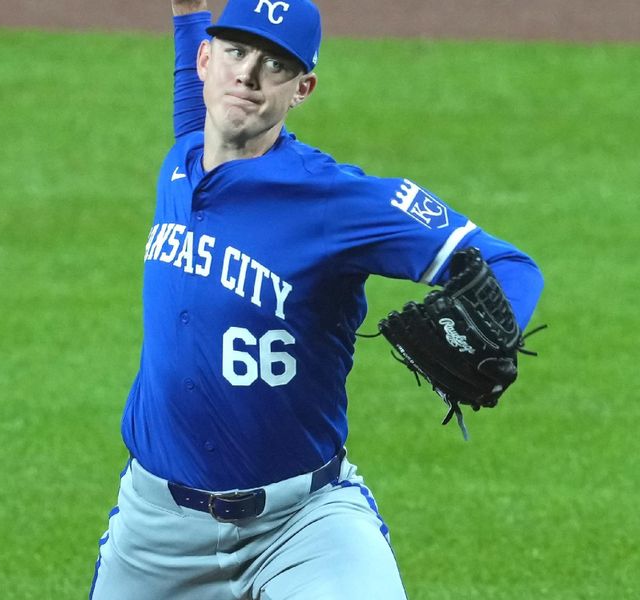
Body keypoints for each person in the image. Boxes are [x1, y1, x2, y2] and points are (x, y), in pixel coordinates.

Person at [89, 0, 544, 598]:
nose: (248, 75)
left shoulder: (333, 201)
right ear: (205, 59)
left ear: (302, 88)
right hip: (155, 531)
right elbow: (200, 88)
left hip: (304, 525)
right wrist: (190, 14)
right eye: (235, 53)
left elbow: (511, 264)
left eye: (274, 64)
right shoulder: (187, 152)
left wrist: (491, 327)